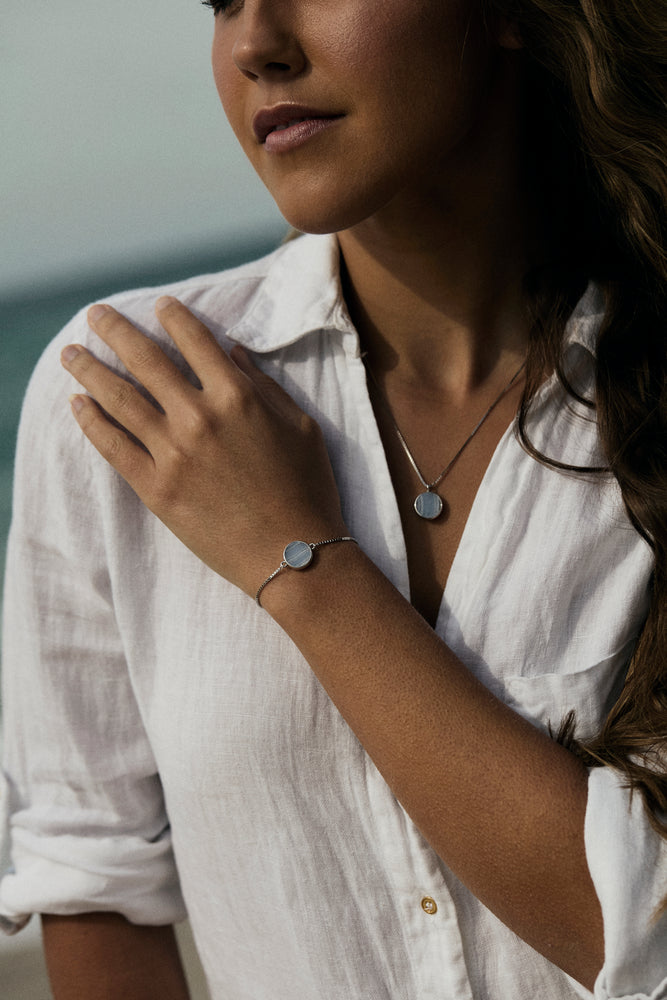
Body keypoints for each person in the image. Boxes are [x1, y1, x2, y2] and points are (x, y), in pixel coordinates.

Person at [1, 0, 666, 997]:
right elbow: (99, 883)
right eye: (221, 3)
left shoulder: (647, 389)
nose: (257, 45)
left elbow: (642, 923)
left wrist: (299, 558)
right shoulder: (130, 397)